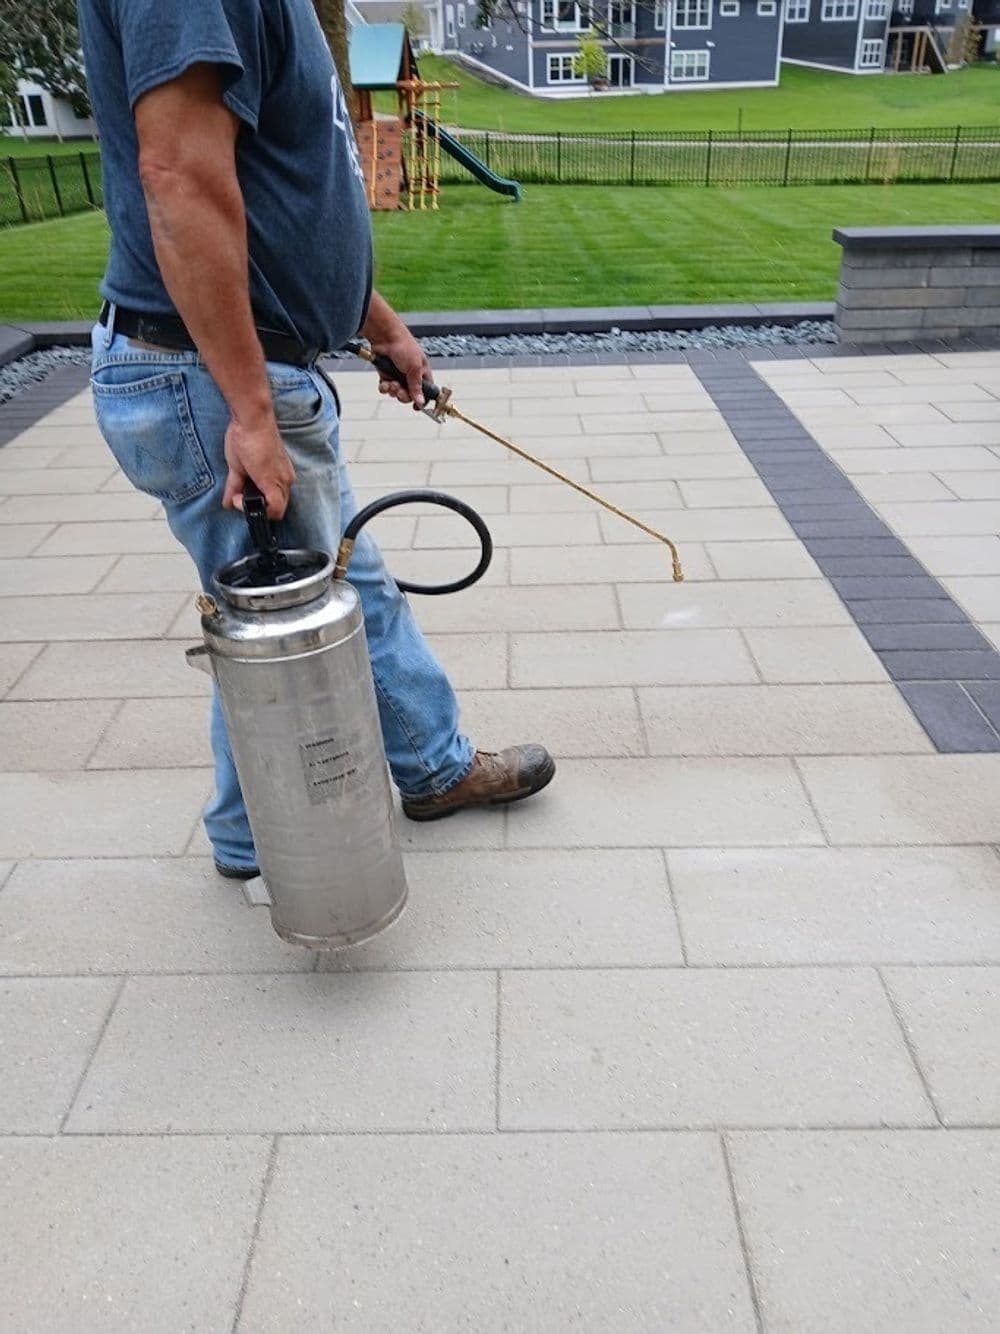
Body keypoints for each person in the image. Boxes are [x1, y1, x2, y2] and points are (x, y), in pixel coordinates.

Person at [77, 0, 554, 879]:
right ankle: (289, 823)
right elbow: (179, 176)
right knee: (287, 616)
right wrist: (251, 414)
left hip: (231, 368)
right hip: (213, 376)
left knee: (314, 593)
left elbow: (278, 189)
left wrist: (375, 322)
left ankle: (389, 779)